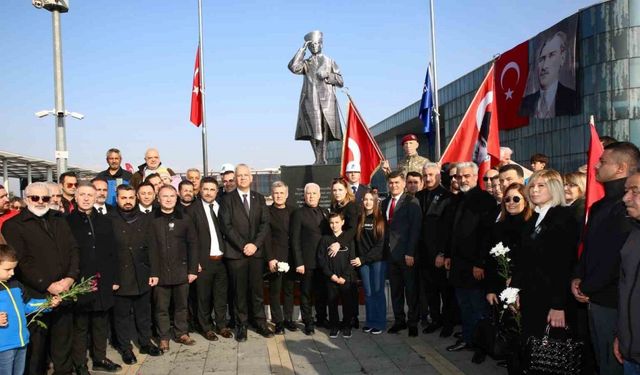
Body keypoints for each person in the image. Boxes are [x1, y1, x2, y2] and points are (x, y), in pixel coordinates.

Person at [572, 142, 640, 375]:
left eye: (602, 162)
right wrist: (578, 275)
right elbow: (589, 247)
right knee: (602, 361)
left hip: (613, 304)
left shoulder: (628, 210)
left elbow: (615, 260)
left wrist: (588, 286)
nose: (596, 166)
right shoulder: (601, 205)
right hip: (594, 296)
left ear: (621, 168)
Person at [2, 182, 79, 375]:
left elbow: (73, 250)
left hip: (64, 292)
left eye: (45, 198)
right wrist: (48, 285)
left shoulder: (59, 219)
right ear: (27, 198)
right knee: (37, 350)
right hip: (35, 295)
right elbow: (22, 262)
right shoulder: (14, 225)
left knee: (63, 345)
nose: (41, 202)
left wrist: (69, 278)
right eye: (35, 198)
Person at [512, 170, 578, 340]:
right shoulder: (532, 219)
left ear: (554, 188)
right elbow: (523, 259)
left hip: (552, 300)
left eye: (541, 186)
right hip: (531, 296)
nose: (534, 190)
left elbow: (564, 264)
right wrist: (516, 290)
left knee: (549, 354)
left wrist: (558, 305)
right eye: (532, 186)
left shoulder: (564, 218)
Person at [66, 183, 121, 374]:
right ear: (76, 196)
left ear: (97, 196)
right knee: (80, 326)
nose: (87, 198)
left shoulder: (105, 220)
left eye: (90, 194)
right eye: (82, 194)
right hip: (80, 281)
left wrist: (115, 278)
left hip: (104, 279)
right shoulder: (67, 222)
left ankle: (99, 358)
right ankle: (80, 363)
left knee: (100, 323)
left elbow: (113, 251)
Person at [444, 162, 494, 360]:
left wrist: (480, 262)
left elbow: (486, 235)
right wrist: (448, 255)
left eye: (466, 176)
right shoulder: (458, 199)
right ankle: (468, 337)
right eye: (459, 177)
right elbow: (453, 231)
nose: (462, 180)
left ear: (476, 176)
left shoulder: (484, 200)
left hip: (475, 265)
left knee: (477, 306)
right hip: (458, 264)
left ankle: (480, 344)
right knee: (464, 304)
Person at [219, 164, 273, 341]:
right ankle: (241, 325)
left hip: (256, 254)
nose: (242, 178)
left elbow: (265, 224)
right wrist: (244, 245)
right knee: (239, 292)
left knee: (257, 291)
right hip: (237, 254)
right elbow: (226, 226)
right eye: (239, 176)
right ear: (235, 178)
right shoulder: (227, 200)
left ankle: (260, 322)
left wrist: (255, 245)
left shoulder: (259, 198)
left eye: (245, 175)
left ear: (251, 178)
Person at [109, 184, 161, 365]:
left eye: (131, 198)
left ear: (136, 198)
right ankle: (125, 348)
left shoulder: (145, 218)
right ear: (117, 199)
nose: (128, 201)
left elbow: (152, 247)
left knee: (143, 313)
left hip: (142, 273)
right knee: (122, 316)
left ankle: (145, 342)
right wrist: (112, 278)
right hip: (120, 277)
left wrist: (154, 271)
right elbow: (107, 253)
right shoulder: (109, 218)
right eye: (124, 198)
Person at [149, 185, 199, 352]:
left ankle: (181, 333)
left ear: (176, 197)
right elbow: (149, 248)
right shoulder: (151, 219)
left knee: (181, 305)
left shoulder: (184, 218)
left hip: (181, 270)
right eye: (165, 196)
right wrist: (153, 272)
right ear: (158, 198)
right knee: (161, 307)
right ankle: (163, 337)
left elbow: (193, 245)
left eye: (172, 196)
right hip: (160, 272)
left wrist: (192, 270)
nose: (169, 199)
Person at [0, 245, 61, 375]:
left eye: (14, 269)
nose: (12, 273)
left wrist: (48, 304)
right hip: (3, 347)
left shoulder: (16, 285)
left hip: (21, 343)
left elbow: (27, 305)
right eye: (8, 269)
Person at [186, 177, 233, 341]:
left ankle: (221, 325)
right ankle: (205, 327)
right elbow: (189, 239)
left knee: (220, 296)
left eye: (212, 189)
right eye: (205, 189)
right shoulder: (192, 210)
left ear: (217, 191)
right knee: (203, 298)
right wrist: (194, 262)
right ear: (200, 190)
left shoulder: (222, 207)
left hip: (222, 260)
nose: (208, 192)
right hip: (203, 261)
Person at [288, 30, 344, 165]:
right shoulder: (306, 63)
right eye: (311, 45)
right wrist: (302, 49)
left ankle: (322, 158)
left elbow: (340, 81)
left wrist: (327, 75)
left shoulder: (329, 61)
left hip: (327, 101)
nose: (314, 46)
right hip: (310, 99)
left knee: (324, 129)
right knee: (313, 130)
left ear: (321, 45)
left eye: (317, 44)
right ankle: (318, 158)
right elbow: (293, 67)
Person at [415, 162, 456, 337]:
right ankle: (435, 319)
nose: (428, 178)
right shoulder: (418, 195)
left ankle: (448, 323)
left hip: (439, 254)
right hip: (423, 254)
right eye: (425, 175)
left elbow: (448, 229)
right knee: (430, 291)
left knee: (445, 292)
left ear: (439, 176)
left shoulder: (447, 197)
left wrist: (442, 253)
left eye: (431, 175)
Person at [382, 171, 422, 337]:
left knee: (411, 291)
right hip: (390, 255)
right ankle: (400, 321)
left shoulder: (411, 201)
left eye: (397, 183)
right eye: (391, 183)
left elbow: (415, 229)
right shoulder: (384, 203)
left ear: (404, 183)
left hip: (407, 255)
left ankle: (413, 322)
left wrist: (410, 252)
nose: (394, 186)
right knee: (396, 291)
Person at [290, 183, 329, 335]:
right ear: (304, 196)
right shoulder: (299, 214)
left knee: (322, 292)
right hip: (307, 262)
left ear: (319, 195)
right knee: (306, 293)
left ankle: (321, 318)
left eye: (314, 193)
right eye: (308, 193)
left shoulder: (325, 212)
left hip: (323, 262)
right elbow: (295, 239)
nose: (311, 196)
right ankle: (308, 322)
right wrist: (299, 262)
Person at [615, 172, 640, 374]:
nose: (625, 198)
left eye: (635, 191)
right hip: (630, 353)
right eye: (626, 191)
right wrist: (622, 336)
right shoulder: (633, 235)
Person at [519, 31, 577, 119]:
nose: (544, 66)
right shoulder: (526, 102)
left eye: (551, 55)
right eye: (541, 59)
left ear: (562, 58)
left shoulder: (571, 98)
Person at [318, 212, 358, 339]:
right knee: (332, 303)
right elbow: (321, 260)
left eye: (336, 222)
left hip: (345, 278)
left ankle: (347, 326)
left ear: (342, 222)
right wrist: (331, 276)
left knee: (347, 303)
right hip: (331, 278)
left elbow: (352, 260)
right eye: (331, 223)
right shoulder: (325, 239)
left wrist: (344, 276)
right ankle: (334, 326)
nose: (334, 225)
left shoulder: (348, 239)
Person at [265, 181, 296, 335]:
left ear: (287, 194)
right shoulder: (266, 212)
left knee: (289, 290)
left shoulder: (293, 211)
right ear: (272, 194)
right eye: (276, 193)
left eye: (281, 193)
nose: (278, 196)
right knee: (275, 291)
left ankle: (289, 319)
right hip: (275, 258)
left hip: (291, 258)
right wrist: (270, 258)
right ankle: (278, 322)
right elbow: (266, 237)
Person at [330, 178, 361, 328]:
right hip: (337, 249)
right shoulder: (335, 206)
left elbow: (352, 229)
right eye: (334, 190)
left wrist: (339, 243)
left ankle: (353, 317)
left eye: (340, 190)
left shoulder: (352, 206)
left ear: (346, 190)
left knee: (350, 284)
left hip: (349, 248)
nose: (337, 193)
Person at [354, 191, 386, 335]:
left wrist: (364, 258)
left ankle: (379, 323)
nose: (367, 202)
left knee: (378, 292)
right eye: (365, 199)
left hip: (378, 261)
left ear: (375, 202)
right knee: (368, 293)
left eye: (370, 200)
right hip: (364, 263)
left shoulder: (380, 219)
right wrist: (361, 259)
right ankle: (370, 321)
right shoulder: (360, 219)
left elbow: (380, 245)